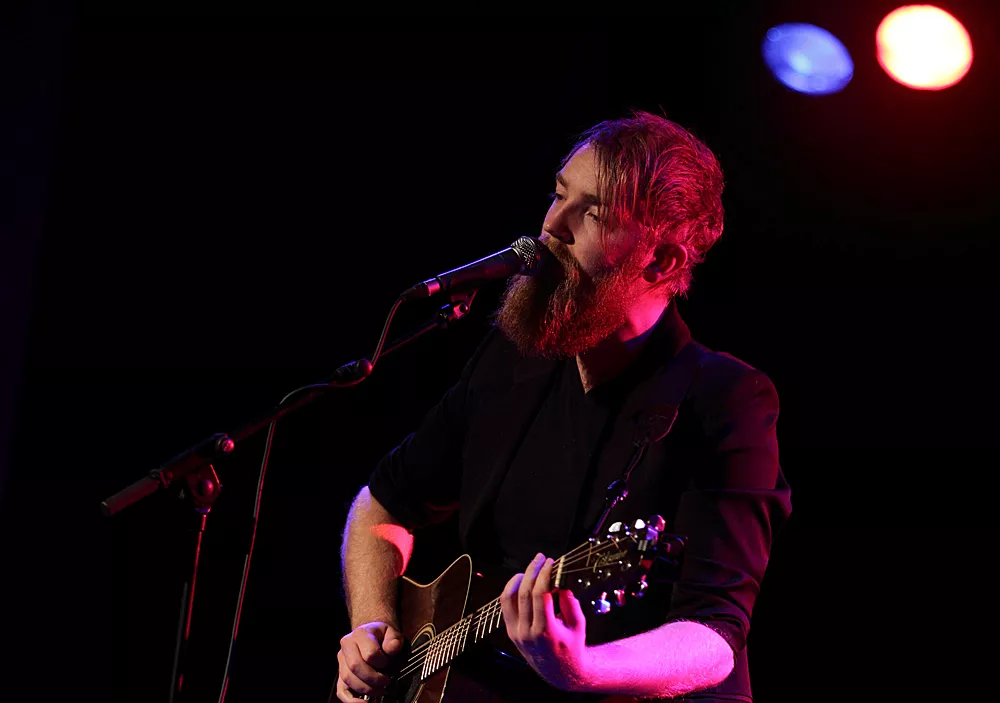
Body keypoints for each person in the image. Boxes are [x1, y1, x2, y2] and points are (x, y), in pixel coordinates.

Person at [335, 111, 792, 702]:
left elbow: (714, 635)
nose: (551, 225)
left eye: (593, 214)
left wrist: (582, 669)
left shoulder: (725, 399)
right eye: (558, 195)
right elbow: (381, 504)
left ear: (661, 261)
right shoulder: (512, 360)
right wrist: (372, 627)